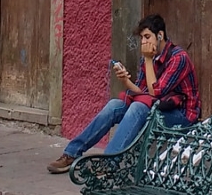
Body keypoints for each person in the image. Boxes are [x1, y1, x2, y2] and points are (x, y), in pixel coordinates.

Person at [48, 13, 200, 173]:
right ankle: (71, 154)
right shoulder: (149, 58)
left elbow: (156, 92)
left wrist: (148, 59)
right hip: (157, 106)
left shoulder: (178, 57)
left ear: (160, 35)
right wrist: (126, 81)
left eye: (147, 37)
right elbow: (143, 91)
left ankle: (108, 164)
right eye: (141, 38)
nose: (143, 42)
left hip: (180, 115)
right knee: (115, 105)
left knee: (137, 108)